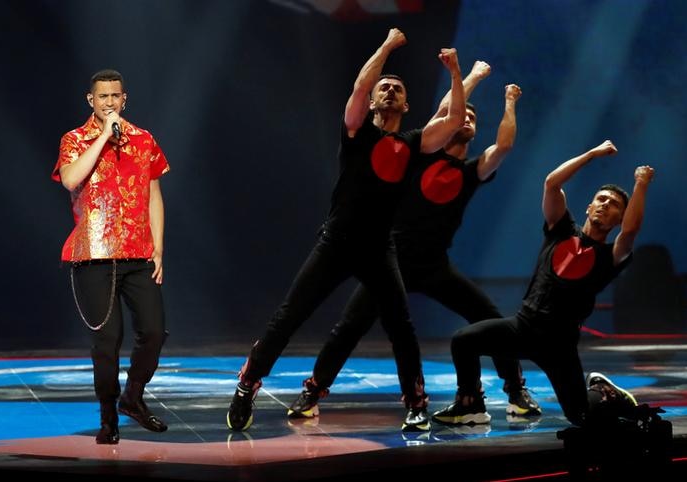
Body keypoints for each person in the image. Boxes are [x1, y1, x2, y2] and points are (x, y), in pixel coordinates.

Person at [226, 28, 466, 432]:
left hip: (377, 249)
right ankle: (247, 384)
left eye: (397, 89)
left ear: (406, 106)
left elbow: (455, 119)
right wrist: (388, 46)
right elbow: (360, 85)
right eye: (384, 87)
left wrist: (457, 72)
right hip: (336, 241)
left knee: (401, 328)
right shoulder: (356, 130)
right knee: (289, 316)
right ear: (373, 100)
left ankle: (416, 403)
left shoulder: (412, 144)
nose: (389, 91)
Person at [287, 61, 543, 428]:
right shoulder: (421, 152)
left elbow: (503, 146)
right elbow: (446, 111)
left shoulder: (472, 172)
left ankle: (516, 391)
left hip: (435, 265)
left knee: (489, 318)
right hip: (392, 259)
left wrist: (510, 102)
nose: (465, 120)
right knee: (349, 326)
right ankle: (313, 392)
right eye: (462, 115)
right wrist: (470, 76)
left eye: (472, 118)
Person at [434, 140, 654, 426]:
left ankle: (604, 392)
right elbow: (552, 183)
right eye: (601, 200)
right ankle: (469, 404)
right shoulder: (561, 230)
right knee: (463, 340)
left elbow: (631, 230)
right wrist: (591, 153)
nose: (605, 205)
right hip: (523, 327)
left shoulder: (611, 255)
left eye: (613, 205)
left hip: (559, 346)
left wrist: (641, 184)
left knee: (581, 417)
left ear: (618, 218)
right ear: (589, 207)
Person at [52, 69, 170, 444]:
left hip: (138, 253)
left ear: (124, 99)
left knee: (153, 330)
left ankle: (133, 397)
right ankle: (108, 418)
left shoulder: (143, 139)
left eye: (115, 96)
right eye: (102, 97)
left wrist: (159, 247)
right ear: (91, 100)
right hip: (93, 256)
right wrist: (104, 136)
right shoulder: (74, 139)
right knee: (108, 341)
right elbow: (71, 179)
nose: (109, 102)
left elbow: (154, 193)